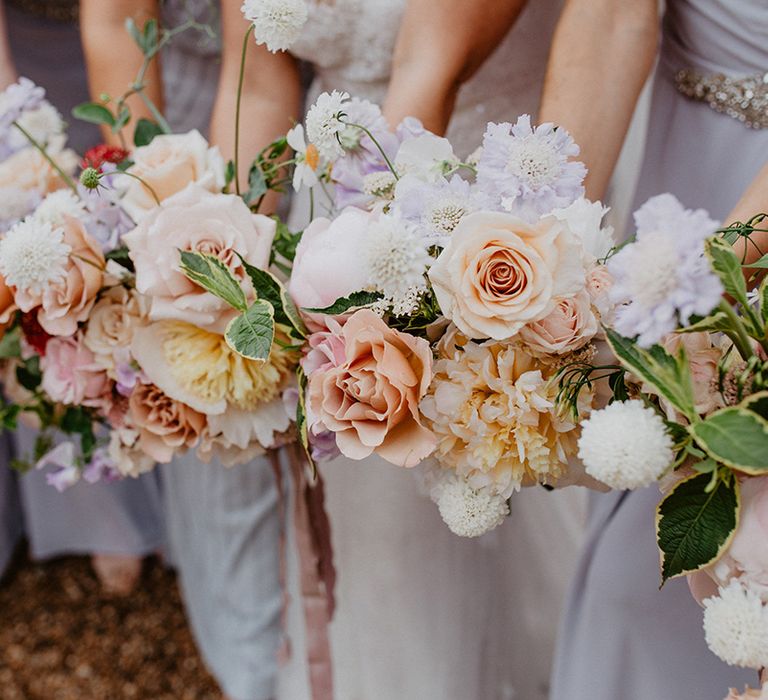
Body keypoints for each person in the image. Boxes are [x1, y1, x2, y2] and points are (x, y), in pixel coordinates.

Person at [235, 1, 595, 698]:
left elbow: (430, 68)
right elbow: (255, 83)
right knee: (391, 544)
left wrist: (366, 287)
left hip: (476, 188)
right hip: (337, 197)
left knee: (527, 464)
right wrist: (232, 250)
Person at [538, 0, 767, 697]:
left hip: (725, 254)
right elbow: (609, 14)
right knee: (633, 587)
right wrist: (542, 248)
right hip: (688, 192)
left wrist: (709, 296)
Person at [80, 2, 291, 698]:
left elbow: (260, 72)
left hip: (302, 137)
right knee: (217, 429)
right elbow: (114, 24)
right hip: (189, 133)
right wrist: (159, 238)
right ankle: (253, 667)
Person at [0, 0, 165, 594]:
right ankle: (95, 507)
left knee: (114, 264)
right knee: (39, 270)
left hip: (132, 44)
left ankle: (150, 467)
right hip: (15, 55)